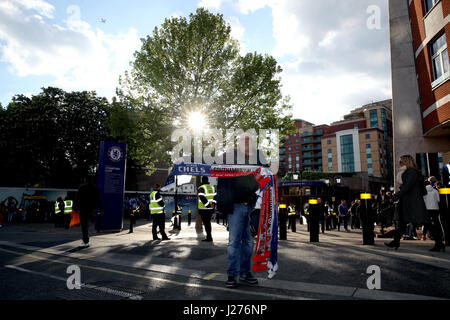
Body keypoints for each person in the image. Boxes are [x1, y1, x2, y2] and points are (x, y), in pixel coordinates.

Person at [216, 133, 267, 288]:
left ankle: (245, 273)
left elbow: (269, 172)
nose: (247, 143)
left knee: (249, 243)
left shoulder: (257, 157)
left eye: (249, 140)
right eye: (243, 140)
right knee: (234, 242)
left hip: (252, 206)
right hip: (236, 206)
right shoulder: (229, 157)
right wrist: (184, 160)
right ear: (238, 143)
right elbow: (206, 160)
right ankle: (232, 274)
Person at [385, 155, 429, 250]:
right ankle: (396, 241)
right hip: (408, 201)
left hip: (413, 201)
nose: (399, 164)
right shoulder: (408, 172)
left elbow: (407, 187)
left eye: (401, 162)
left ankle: (439, 242)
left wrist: (395, 197)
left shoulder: (411, 172)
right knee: (402, 223)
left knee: (425, 221)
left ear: (406, 162)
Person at [73, 176, 104, 248]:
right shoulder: (95, 188)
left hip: (83, 209)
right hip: (91, 209)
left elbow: (77, 198)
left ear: (85, 180)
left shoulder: (81, 187)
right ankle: (86, 237)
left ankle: (85, 241)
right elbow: (98, 199)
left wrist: (75, 207)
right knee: (87, 223)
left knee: (84, 225)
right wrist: (101, 208)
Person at [423, 180, 445, 251]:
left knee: (431, 228)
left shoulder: (424, 192)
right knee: (437, 226)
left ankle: (438, 244)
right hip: (436, 210)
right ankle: (440, 243)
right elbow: (438, 200)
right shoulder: (435, 191)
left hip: (428, 210)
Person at [198, 176, 216, 242]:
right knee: (208, 223)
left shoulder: (201, 188)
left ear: (202, 181)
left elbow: (201, 197)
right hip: (211, 209)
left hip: (204, 209)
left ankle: (209, 237)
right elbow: (215, 197)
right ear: (207, 180)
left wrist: (208, 205)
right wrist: (213, 204)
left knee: (206, 223)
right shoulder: (212, 187)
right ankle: (209, 236)